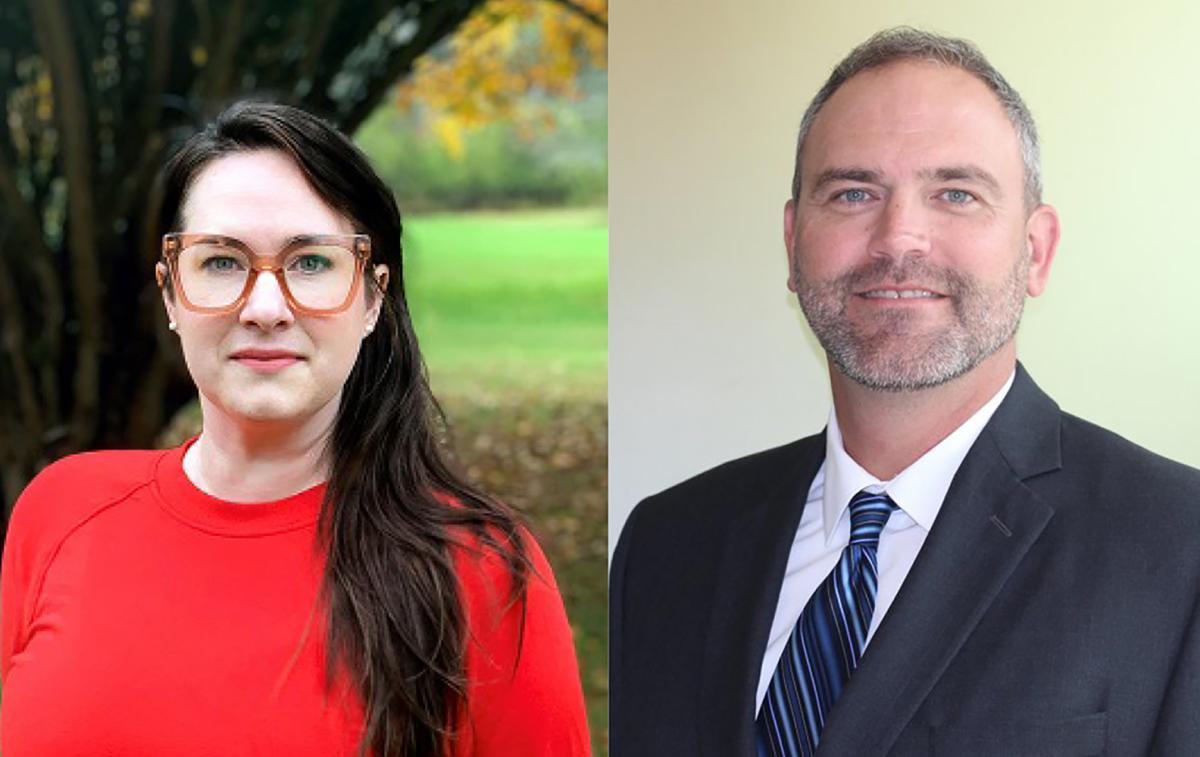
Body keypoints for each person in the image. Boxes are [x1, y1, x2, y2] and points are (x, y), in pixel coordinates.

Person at [610, 27, 1200, 757]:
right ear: (793, 242)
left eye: (956, 193)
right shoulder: (665, 546)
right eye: (854, 192)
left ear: (1035, 251)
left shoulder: (1178, 547)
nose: (900, 238)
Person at [1, 102, 590, 756]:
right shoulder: (60, 511)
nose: (264, 308)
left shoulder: (482, 571)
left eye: (311, 262)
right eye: (221, 261)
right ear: (171, 294)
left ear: (372, 298)